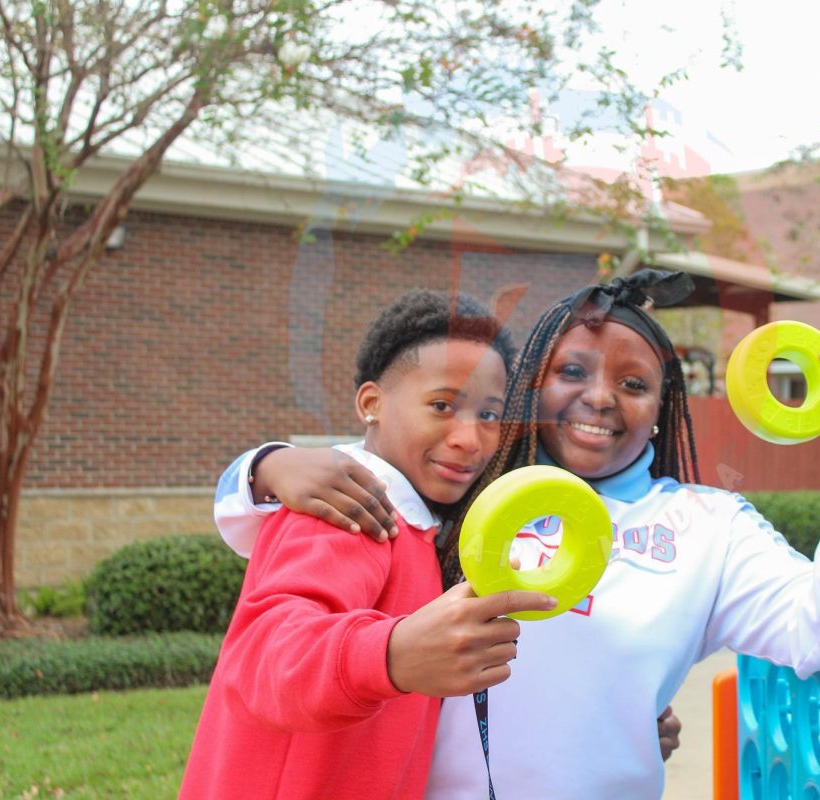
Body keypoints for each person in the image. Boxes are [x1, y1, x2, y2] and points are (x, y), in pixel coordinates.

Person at [218, 269, 820, 799]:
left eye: (634, 383)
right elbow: (325, 530)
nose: (599, 397)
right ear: (529, 388)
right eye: (571, 372)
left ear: (662, 408)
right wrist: (263, 466)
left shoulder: (708, 529)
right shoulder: (458, 479)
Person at [179, 291, 556, 799]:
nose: (471, 438)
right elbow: (266, 657)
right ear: (371, 403)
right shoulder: (349, 509)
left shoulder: (427, 527)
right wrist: (390, 655)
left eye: (489, 415)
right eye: (443, 405)